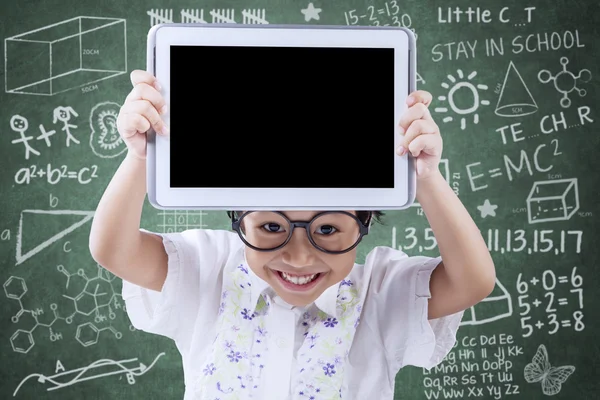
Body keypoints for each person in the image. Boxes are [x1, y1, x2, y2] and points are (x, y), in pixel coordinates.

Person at [89, 69, 496, 400]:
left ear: (364, 223)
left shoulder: (380, 291)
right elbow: (114, 250)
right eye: (270, 228)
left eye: (328, 229)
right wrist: (142, 155)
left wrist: (423, 176)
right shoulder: (208, 267)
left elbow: (472, 281)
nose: (299, 257)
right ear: (238, 220)